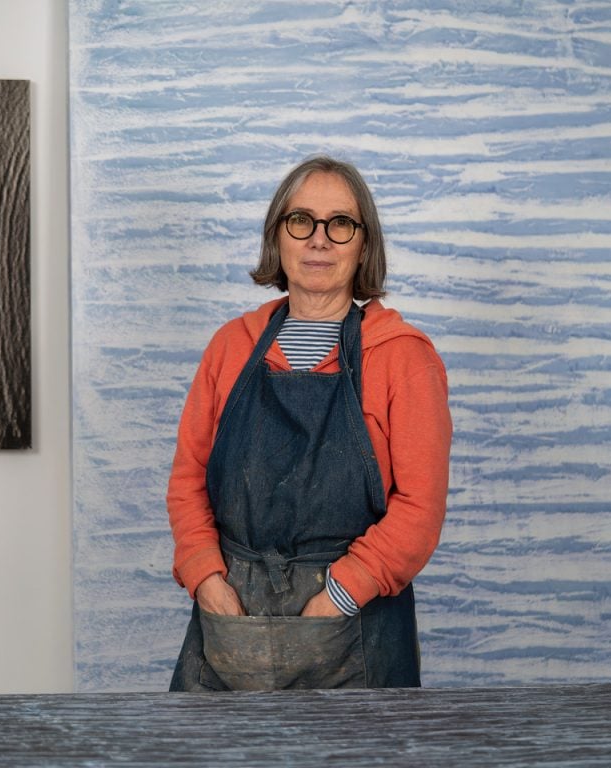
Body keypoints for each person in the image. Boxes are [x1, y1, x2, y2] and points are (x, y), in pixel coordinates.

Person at [167, 155, 452, 691]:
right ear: (279, 237)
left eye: (340, 224)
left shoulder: (404, 358)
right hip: (233, 620)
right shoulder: (232, 346)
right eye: (302, 221)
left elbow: (420, 507)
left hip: (355, 627)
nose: (319, 240)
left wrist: (339, 596)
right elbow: (188, 481)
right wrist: (206, 575)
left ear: (364, 244)